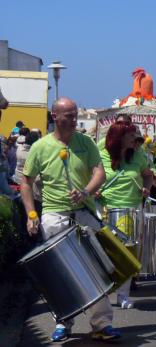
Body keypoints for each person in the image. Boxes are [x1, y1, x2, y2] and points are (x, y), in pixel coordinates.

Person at [20, 97, 121, 342]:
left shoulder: (85, 143)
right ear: (55, 116)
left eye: (76, 114)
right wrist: (31, 214)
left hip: (84, 214)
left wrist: (86, 191)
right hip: (55, 215)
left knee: (96, 269)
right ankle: (63, 321)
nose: (74, 119)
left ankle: (102, 323)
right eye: (69, 115)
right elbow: (26, 182)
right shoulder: (40, 147)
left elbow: (100, 172)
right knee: (61, 274)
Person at [98, 121, 153, 309]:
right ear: (119, 138)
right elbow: (89, 176)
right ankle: (104, 293)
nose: (134, 139)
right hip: (104, 208)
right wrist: (93, 189)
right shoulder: (101, 155)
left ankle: (123, 295)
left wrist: (146, 187)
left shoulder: (138, 155)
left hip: (130, 208)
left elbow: (148, 174)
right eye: (130, 135)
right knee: (105, 253)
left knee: (127, 251)